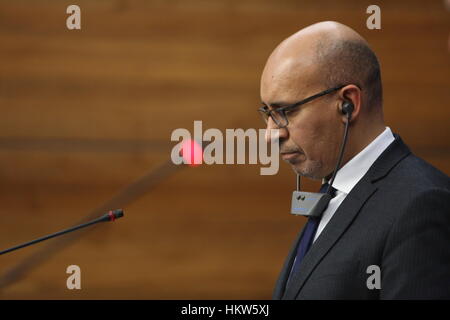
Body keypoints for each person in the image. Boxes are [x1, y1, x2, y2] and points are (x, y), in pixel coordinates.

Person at [258, 21, 450, 299]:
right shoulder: (334, 192)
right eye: (267, 113)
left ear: (347, 104)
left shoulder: (422, 204)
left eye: (285, 111)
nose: (271, 135)